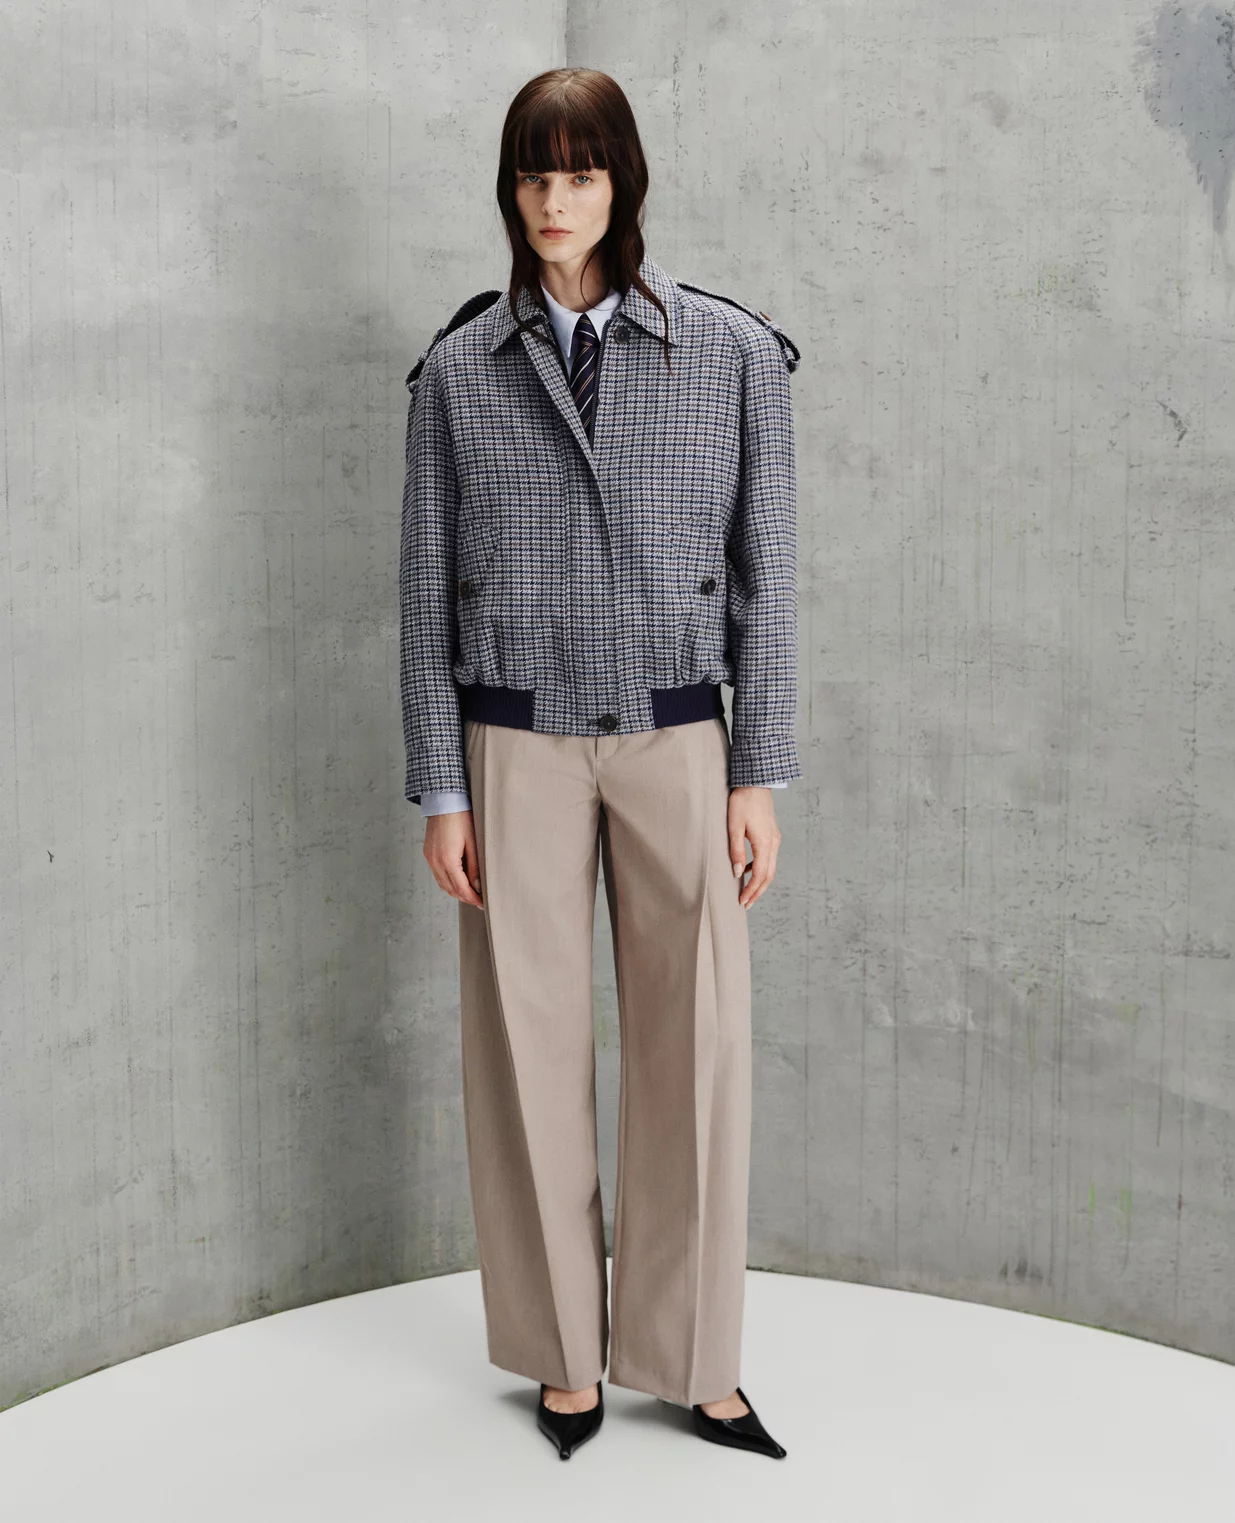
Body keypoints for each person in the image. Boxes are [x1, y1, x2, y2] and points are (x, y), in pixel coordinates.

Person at [399, 67, 801, 1462]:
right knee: (525, 1043)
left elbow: (769, 580)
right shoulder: (461, 368)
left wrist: (758, 770)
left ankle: (694, 1357)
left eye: (578, 172)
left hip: (679, 733)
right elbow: (422, 590)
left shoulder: (730, 353)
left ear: (622, 180)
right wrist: (443, 785)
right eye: (533, 174)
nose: (554, 199)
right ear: (509, 189)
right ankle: (563, 1354)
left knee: (698, 1046)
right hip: (511, 739)